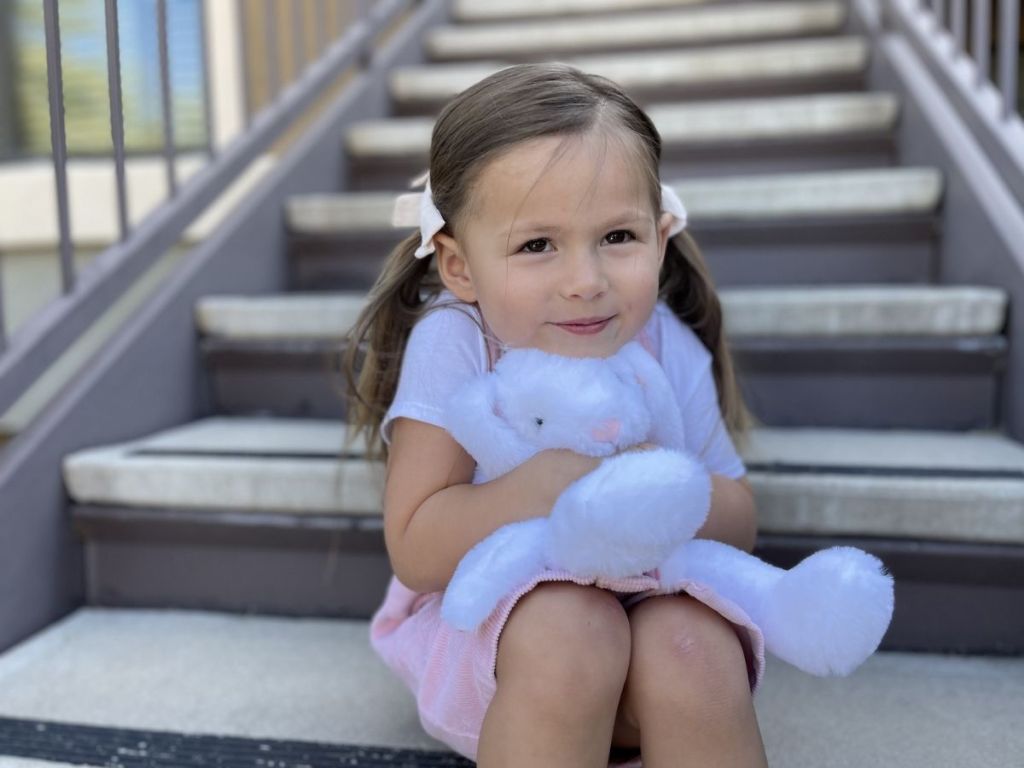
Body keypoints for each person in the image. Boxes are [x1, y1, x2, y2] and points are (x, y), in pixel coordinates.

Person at [341, 62, 769, 768]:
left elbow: (741, 522)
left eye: (618, 238)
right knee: (572, 631)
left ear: (660, 238)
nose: (586, 282)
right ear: (460, 267)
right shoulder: (457, 338)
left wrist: (658, 486)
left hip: (651, 619)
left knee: (692, 647)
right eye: (537, 245)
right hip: (504, 639)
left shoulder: (664, 340)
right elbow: (416, 550)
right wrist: (551, 487)